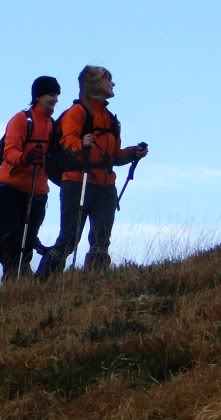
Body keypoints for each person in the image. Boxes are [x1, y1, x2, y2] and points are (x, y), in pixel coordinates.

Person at [36, 65, 148, 278]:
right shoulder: (77, 113)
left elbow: (113, 156)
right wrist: (82, 144)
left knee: (101, 239)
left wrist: (134, 153)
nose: (113, 84)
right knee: (69, 238)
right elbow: (67, 142)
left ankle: (94, 282)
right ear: (95, 84)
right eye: (108, 79)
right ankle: (43, 281)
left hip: (104, 185)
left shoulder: (111, 119)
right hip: (78, 182)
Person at [0, 75, 59, 282]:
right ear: (38, 96)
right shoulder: (21, 119)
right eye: (50, 94)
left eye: (56, 95)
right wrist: (25, 158)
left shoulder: (53, 125)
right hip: (10, 187)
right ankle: (14, 278)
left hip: (38, 191)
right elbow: (9, 152)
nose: (54, 99)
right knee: (12, 236)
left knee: (29, 237)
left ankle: (20, 278)